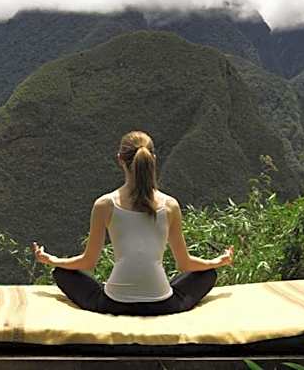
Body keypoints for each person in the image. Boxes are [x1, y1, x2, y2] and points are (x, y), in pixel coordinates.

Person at [31, 130, 234, 316]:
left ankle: (116, 287)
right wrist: (217, 262)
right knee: (207, 274)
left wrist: (52, 260)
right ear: (153, 159)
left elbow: (88, 262)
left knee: (62, 273)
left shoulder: (105, 205)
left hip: (114, 303)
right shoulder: (170, 205)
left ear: (120, 160)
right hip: (164, 304)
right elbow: (185, 263)